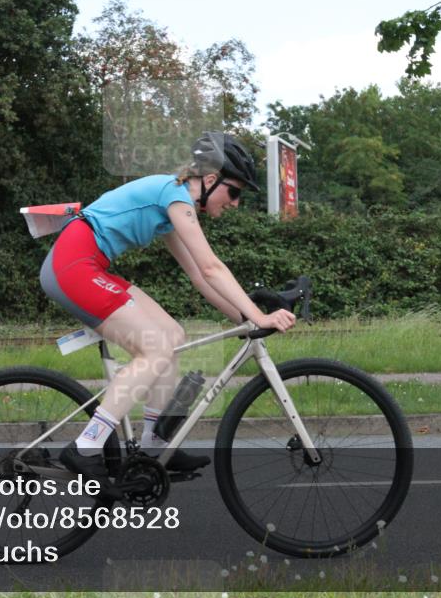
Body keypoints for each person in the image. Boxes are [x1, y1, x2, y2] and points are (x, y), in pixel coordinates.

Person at [39, 132, 296, 485]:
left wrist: (245, 319)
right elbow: (212, 267)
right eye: (234, 191)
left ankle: (154, 444)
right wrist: (259, 314)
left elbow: (199, 278)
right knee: (154, 348)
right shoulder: (173, 195)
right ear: (210, 180)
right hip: (73, 265)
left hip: (87, 264)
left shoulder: (170, 205)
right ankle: (86, 446)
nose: (235, 203)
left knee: (172, 336)